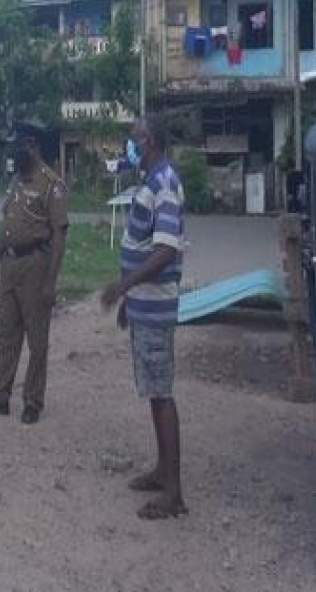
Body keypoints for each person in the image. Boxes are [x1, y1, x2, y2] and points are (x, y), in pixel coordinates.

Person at [101, 116, 188, 520]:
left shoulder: (164, 184)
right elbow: (140, 243)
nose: (129, 146)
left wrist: (122, 286)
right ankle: (161, 470)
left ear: (149, 140)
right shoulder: (151, 183)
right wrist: (128, 297)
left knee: (162, 394)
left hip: (156, 307)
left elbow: (165, 250)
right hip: (144, 304)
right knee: (154, 391)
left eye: (133, 139)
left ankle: (173, 493)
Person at [0, 119, 69, 424]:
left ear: (34, 145)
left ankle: (33, 401)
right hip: (10, 265)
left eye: (20, 144)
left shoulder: (52, 185)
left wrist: (51, 282)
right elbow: (6, 228)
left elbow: (59, 236)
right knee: (5, 335)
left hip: (35, 266)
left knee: (36, 338)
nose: (15, 150)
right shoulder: (16, 182)